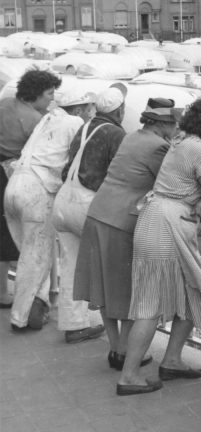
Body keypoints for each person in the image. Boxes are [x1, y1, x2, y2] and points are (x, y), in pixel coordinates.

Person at [117, 96, 201, 396]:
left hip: (156, 219)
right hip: (168, 227)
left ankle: (171, 360)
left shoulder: (182, 141)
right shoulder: (200, 150)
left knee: (195, 292)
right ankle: (129, 376)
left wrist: (200, 200)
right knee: (149, 305)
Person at [73, 98, 181, 371]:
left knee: (104, 288)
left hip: (99, 213)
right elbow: (171, 184)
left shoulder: (132, 136)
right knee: (129, 290)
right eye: (174, 124)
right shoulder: (158, 147)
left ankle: (115, 348)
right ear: (164, 124)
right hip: (121, 221)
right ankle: (125, 351)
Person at [4, 88, 93, 332]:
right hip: (37, 190)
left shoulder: (47, 118)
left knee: (30, 256)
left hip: (15, 184)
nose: (90, 114)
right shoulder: (75, 122)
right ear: (78, 109)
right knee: (35, 258)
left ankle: (37, 307)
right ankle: (21, 317)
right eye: (88, 109)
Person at [56, 87, 126, 344]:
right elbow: (121, 173)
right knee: (109, 265)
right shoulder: (116, 133)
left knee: (70, 264)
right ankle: (118, 335)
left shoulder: (84, 127)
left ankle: (74, 325)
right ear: (120, 110)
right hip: (86, 202)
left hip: (64, 199)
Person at [0, 70, 60, 309]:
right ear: (36, 93)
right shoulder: (36, 120)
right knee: (17, 240)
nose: (52, 98)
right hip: (13, 177)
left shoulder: (5, 104)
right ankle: (21, 298)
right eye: (49, 93)